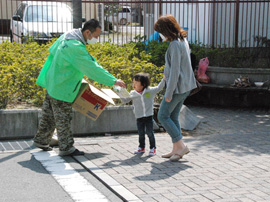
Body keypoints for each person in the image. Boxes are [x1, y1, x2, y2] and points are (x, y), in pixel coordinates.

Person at [33, 19, 125, 156]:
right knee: (63, 118)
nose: (97, 39)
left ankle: (41, 140)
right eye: (96, 36)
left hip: (52, 80)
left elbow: (52, 51)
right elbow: (91, 68)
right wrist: (113, 81)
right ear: (88, 32)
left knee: (49, 115)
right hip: (63, 86)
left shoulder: (68, 35)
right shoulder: (76, 47)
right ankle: (66, 148)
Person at [154, 15, 197, 161]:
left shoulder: (174, 44)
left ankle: (181, 146)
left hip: (178, 88)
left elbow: (175, 71)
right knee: (172, 116)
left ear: (165, 30)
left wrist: (169, 92)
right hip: (186, 86)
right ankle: (176, 149)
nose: (160, 35)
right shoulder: (182, 39)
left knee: (162, 116)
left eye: (159, 31)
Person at [121, 73, 165, 156]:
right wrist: (121, 90)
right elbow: (125, 100)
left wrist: (164, 79)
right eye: (133, 82)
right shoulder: (133, 93)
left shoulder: (150, 91)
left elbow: (159, 88)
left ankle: (153, 148)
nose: (133, 85)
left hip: (148, 116)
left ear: (143, 84)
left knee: (150, 133)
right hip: (139, 117)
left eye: (136, 83)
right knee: (141, 133)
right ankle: (141, 147)